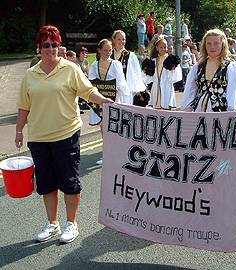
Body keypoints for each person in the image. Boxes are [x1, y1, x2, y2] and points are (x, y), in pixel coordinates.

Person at [15, 25, 113, 244]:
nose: (51, 49)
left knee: (69, 182)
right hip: (39, 138)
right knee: (46, 184)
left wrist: (104, 100)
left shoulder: (70, 69)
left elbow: (88, 91)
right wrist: (19, 129)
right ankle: (52, 223)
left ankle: (71, 224)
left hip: (66, 134)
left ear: (59, 46)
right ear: (39, 47)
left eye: (55, 45)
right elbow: (24, 105)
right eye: (47, 45)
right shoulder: (31, 74)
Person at [181, 29, 236, 112]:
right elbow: (190, 90)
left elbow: (235, 93)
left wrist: (232, 112)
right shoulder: (198, 67)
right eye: (209, 43)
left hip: (222, 113)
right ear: (204, 45)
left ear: (223, 45)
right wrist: (188, 110)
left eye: (216, 43)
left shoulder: (231, 67)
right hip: (199, 111)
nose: (212, 47)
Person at [88, 38, 131, 127]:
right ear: (99, 50)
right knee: (102, 124)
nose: (108, 53)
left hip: (113, 98)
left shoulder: (116, 64)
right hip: (99, 99)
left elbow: (121, 81)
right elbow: (91, 82)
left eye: (110, 50)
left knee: (113, 125)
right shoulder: (94, 65)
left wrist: (123, 94)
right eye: (105, 50)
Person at [147, 35, 182, 109]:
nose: (163, 49)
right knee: (156, 108)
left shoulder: (171, 59)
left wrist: (173, 70)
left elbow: (176, 76)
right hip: (156, 87)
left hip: (166, 86)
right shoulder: (154, 61)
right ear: (157, 48)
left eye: (165, 47)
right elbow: (149, 76)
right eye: (161, 47)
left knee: (165, 107)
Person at [110, 30, 145, 99]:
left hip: (127, 92)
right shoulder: (110, 55)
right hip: (112, 91)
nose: (121, 41)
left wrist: (138, 89)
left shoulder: (130, 56)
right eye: (119, 39)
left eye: (123, 39)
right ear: (114, 40)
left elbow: (137, 73)